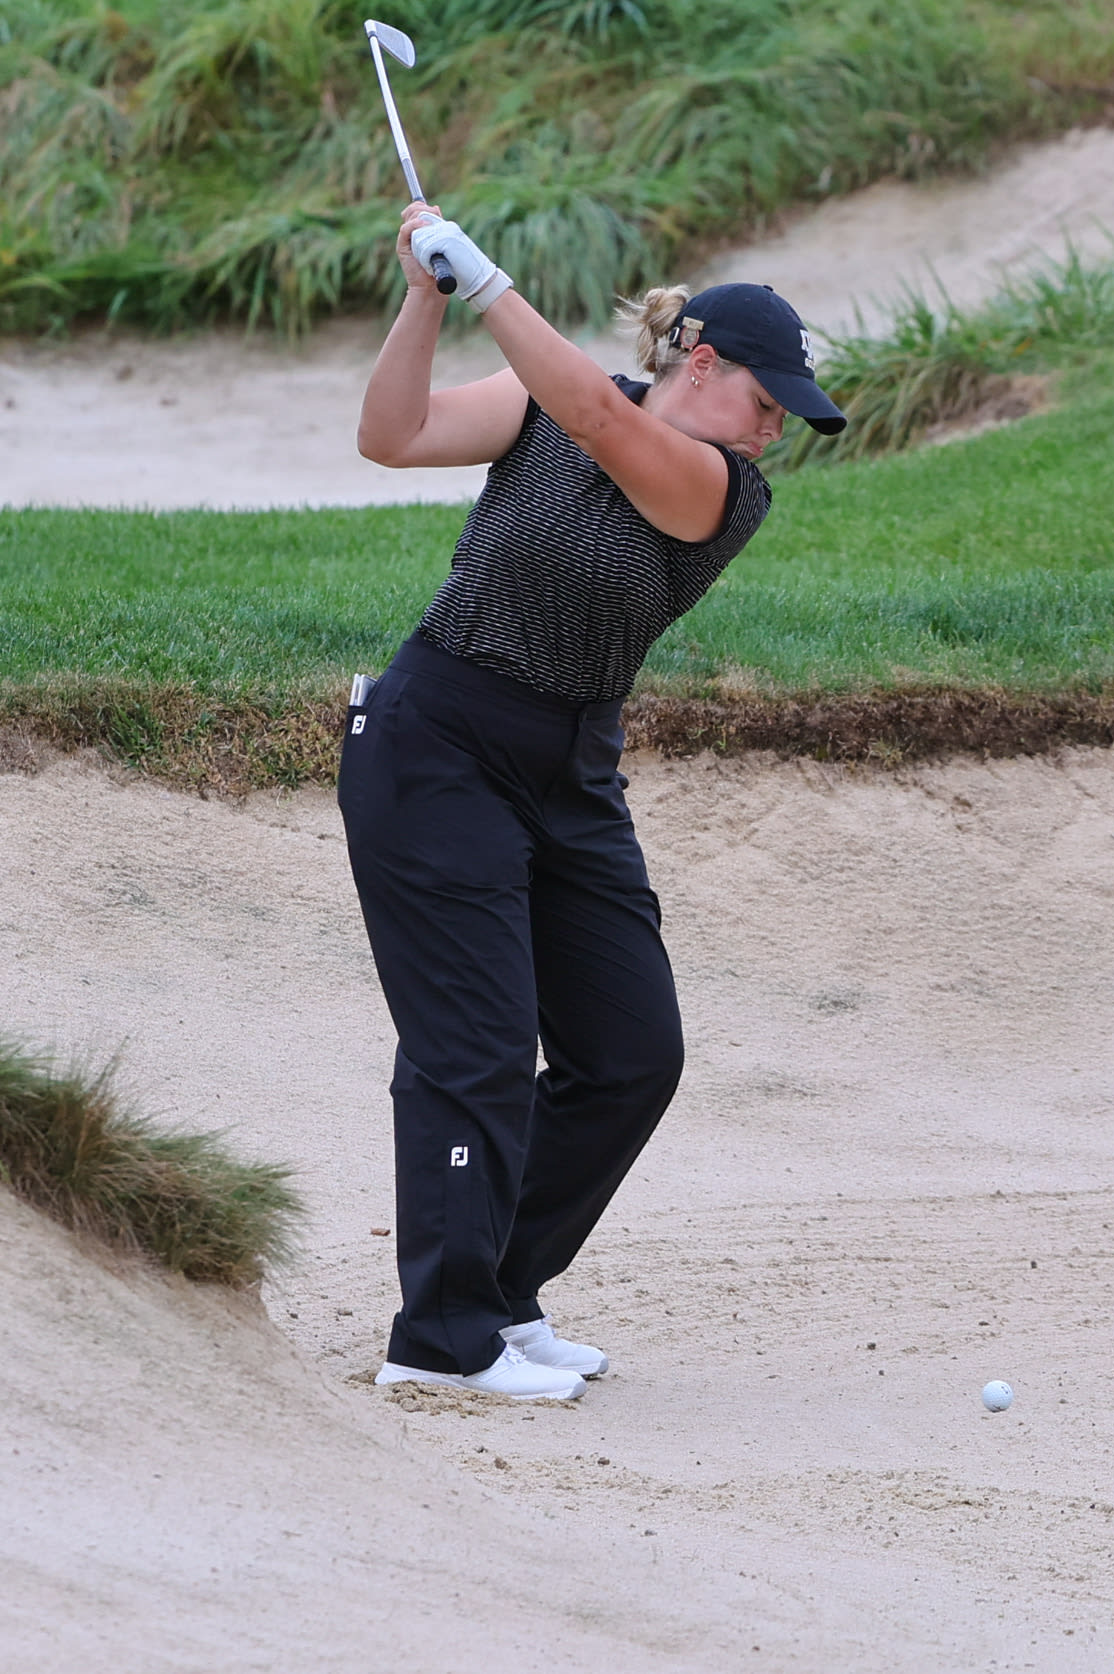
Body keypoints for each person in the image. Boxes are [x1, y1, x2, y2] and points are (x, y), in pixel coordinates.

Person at [344, 196, 843, 1400]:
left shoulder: (721, 489)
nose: (773, 431)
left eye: (785, 418)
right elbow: (391, 434)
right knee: (474, 1048)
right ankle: (443, 1342)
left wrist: (488, 283)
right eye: (764, 402)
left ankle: (501, 1290)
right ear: (704, 363)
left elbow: (595, 416)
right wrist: (426, 297)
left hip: (570, 768)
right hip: (436, 741)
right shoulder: (544, 404)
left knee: (629, 1052)